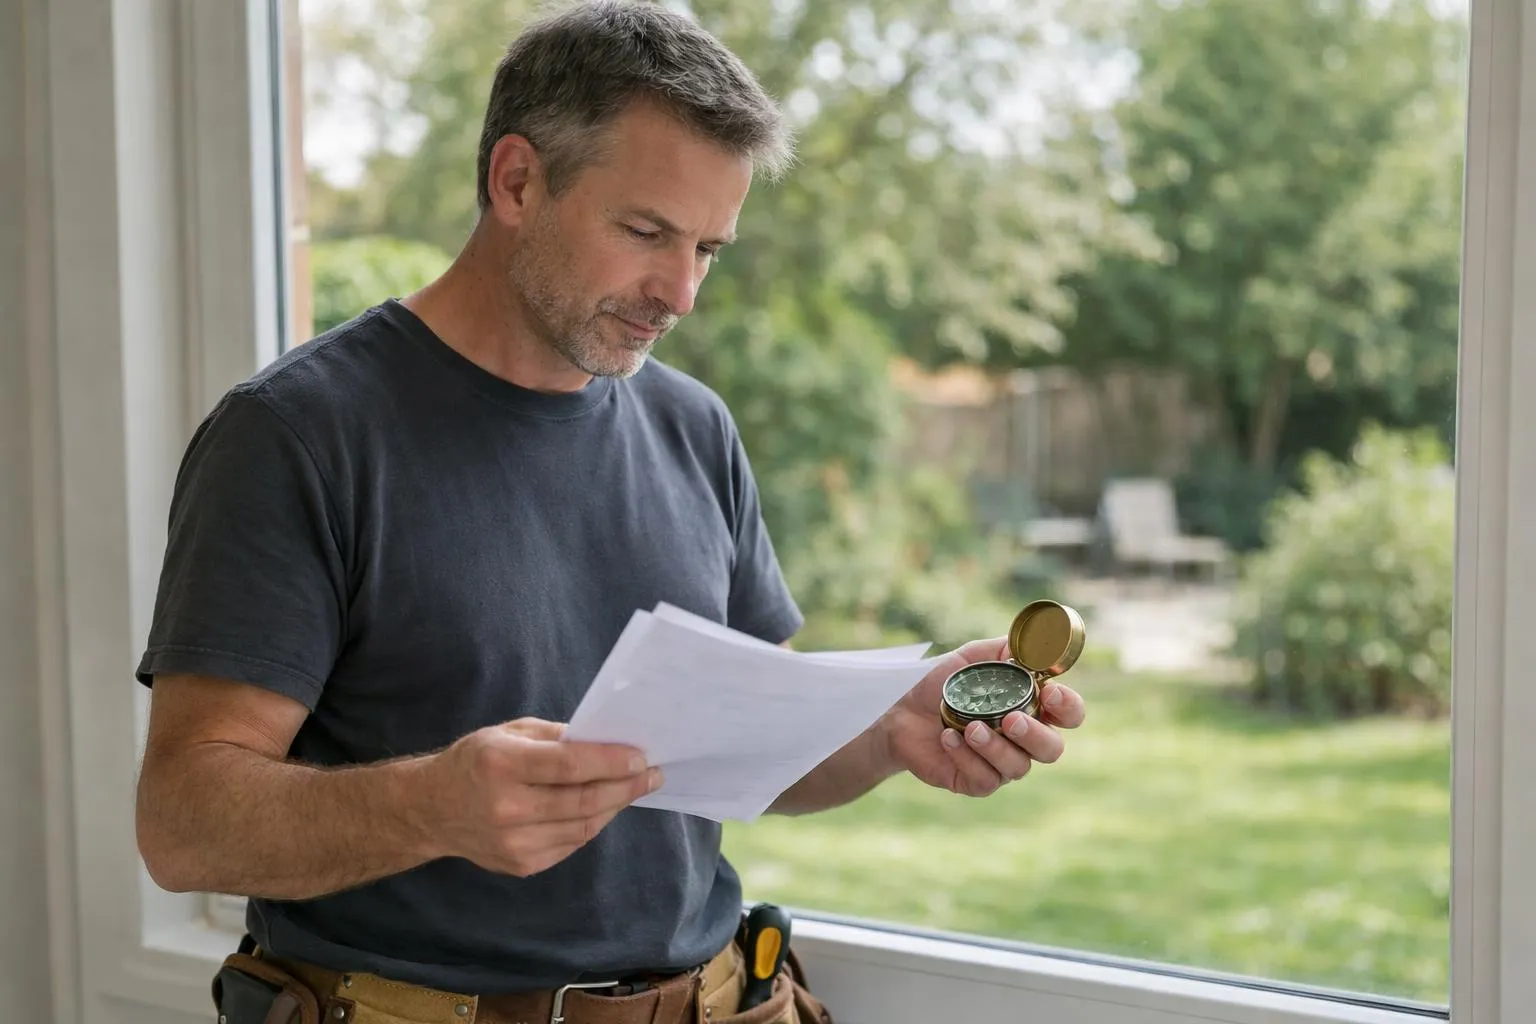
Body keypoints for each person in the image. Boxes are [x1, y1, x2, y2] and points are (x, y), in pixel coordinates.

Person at [132, 2, 1087, 1023]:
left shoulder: (693, 425)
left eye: (709, 249)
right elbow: (184, 823)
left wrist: (891, 727)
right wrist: (431, 807)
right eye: (645, 232)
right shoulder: (296, 435)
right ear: (516, 180)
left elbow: (736, 759)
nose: (679, 291)